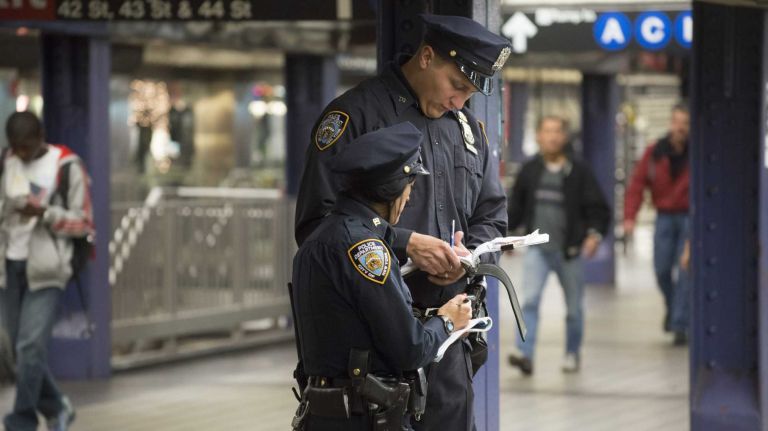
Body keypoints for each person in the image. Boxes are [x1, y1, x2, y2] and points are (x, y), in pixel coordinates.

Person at [294, 14, 510, 430]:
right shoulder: (354, 116)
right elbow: (316, 228)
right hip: (374, 355)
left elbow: (491, 214)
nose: (460, 101)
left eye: (470, 92)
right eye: (457, 85)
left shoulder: (467, 130)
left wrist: (467, 254)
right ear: (427, 56)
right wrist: (407, 242)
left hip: (449, 341)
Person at [291, 122, 472, 430]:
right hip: (365, 418)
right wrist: (447, 321)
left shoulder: (318, 240)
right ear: (395, 190)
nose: (410, 197)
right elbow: (410, 350)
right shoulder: (366, 250)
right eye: (411, 186)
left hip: (321, 416)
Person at [0, 111, 93, 431]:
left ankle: (21, 420)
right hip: (9, 267)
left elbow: (83, 222)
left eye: (26, 147)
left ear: (41, 137)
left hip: (48, 268)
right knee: (14, 350)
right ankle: (57, 405)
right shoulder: (6, 161)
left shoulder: (66, 166)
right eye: (16, 147)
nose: (21, 154)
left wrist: (44, 213)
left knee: (30, 347)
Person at [506, 116, 610, 375]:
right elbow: (514, 207)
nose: (552, 137)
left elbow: (599, 207)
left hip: (569, 252)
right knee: (529, 301)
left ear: (564, 137)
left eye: (556, 132)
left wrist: (594, 235)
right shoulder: (530, 170)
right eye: (546, 131)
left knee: (574, 309)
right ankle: (525, 354)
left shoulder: (579, 171)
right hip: (538, 251)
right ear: (539, 136)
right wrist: (506, 236)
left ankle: (572, 354)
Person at [623, 104, 690, 345]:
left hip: (689, 218)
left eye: (685, 123)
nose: (680, 127)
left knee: (685, 271)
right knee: (661, 270)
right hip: (664, 217)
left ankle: (680, 324)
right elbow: (638, 185)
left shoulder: (697, 152)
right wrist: (630, 217)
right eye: (677, 122)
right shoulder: (656, 153)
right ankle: (674, 311)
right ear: (670, 123)